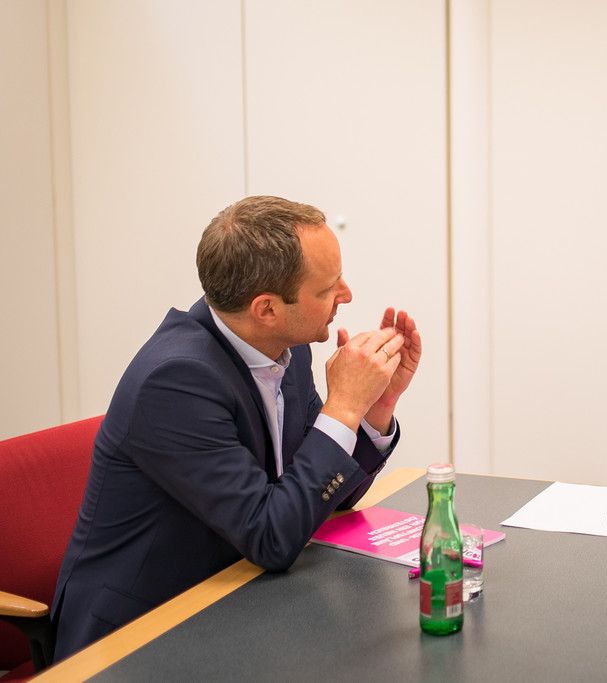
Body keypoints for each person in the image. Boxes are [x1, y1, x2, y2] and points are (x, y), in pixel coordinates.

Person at [52, 196, 422, 659]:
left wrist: (373, 408)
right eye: (328, 288)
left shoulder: (287, 347)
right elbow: (271, 536)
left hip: (236, 598)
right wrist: (343, 406)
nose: (346, 295)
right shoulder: (175, 382)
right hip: (139, 637)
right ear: (266, 309)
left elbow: (319, 495)